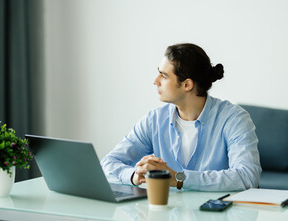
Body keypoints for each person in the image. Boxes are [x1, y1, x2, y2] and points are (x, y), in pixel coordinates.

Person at [101, 43, 261, 191]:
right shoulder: (154, 120)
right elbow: (108, 163)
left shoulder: (234, 119)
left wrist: (178, 178)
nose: (155, 81)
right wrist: (135, 175)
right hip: (167, 215)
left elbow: (247, 177)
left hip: (218, 216)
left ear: (187, 85)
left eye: (163, 76)